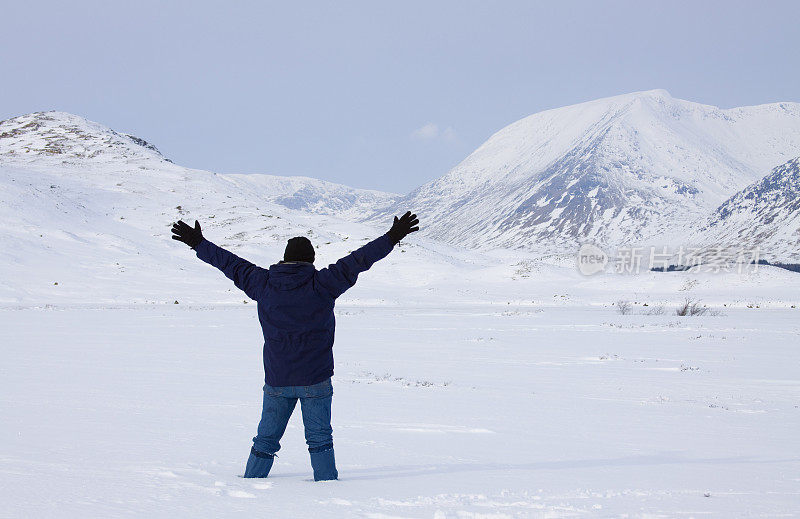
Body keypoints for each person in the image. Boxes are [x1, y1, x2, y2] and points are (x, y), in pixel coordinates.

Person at [170, 211, 419, 481]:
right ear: (311, 259)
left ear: (285, 258)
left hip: (278, 379)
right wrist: (393, 237)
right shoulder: (322, 283)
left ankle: (251, 488)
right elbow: (359, 260)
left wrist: (198, 243)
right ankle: (327, 490)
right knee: (320, 439)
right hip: (316, 378)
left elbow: (230, 264)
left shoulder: (262, 283)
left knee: (265, 440)